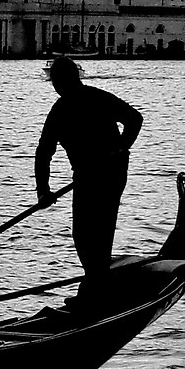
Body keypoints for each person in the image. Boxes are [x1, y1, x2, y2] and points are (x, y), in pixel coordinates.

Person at [33, 57, 143, 292]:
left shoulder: (97, 98)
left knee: (98, 230)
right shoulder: (60, 110)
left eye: (57, 81)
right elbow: (44, 152)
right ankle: (96, 280)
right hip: (85, 175)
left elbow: (134, 119)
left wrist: (121, 147)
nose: (56, 86)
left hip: (110, 173)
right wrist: (43, 191)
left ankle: (98, 284)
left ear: (68, 80)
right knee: (83, 235)